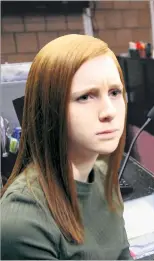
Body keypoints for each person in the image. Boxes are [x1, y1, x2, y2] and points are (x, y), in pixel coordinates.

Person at [1, 34, 132, 260]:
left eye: (114, 92)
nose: (109, 111)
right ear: (49, 108)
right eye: (85, 97)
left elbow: (121, 254)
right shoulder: (23, 220)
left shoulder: (103, 175)